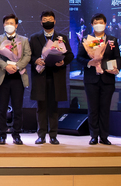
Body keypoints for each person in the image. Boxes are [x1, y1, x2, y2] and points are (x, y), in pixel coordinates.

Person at [29, 11, 73, 145]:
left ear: (54, 21)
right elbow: (28, 56)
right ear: (41, 22)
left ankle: (53, 135)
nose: (47, 21)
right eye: (45, 19)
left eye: (50, 19)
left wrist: (63, 61)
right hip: (40, 77)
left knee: (54, 108)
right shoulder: (34, 37)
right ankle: (41, 135)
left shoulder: (62, 37)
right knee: (41, 108)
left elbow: (70, 55)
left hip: (56, 77)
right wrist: (35, 60)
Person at [77, 13, 121, 145]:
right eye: (96, 23)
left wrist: (115, 67)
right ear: (92, 24)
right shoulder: (86, 39)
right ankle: (94, 135)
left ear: (105, 24)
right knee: (93, 108)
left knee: (105, 109)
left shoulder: (112, 40)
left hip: (107, 79)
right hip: (91, 79)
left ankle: (104, 136)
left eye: (101, 22)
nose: (98, 25)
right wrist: (88, 62)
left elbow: (117, 57)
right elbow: (79, 57)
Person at [0, 14, 31, 145]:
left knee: (17, 108)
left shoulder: (24, 40)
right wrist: (6, 66)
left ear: (16, 25)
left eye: (12, 23)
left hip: (18, 78)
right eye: (7, 23)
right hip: (3, 77)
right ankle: (1, 135)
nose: (9, 25)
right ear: (3, 25)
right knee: (2, 108)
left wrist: (17, 66)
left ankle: (16, 134)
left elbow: (27, 55)